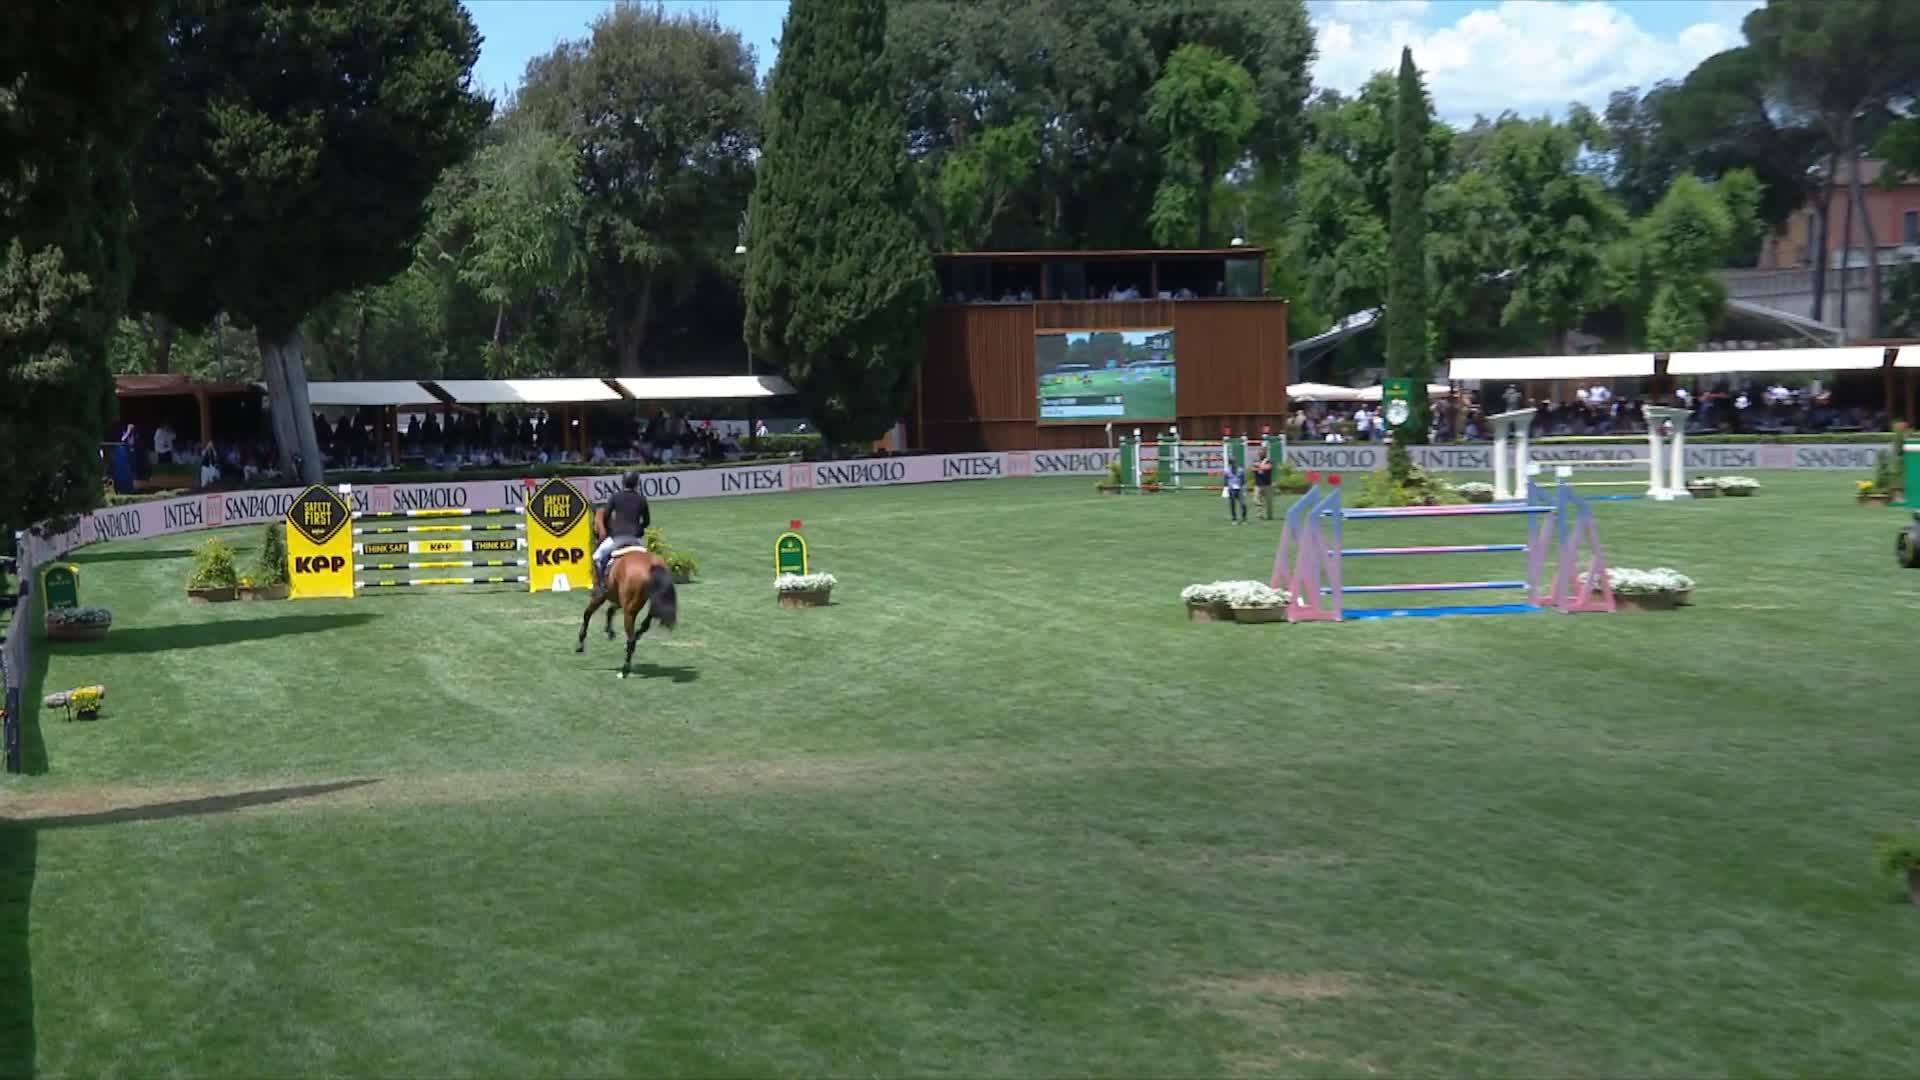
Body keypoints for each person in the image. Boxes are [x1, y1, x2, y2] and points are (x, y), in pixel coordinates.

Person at [592, 471, 651, 597]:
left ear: (623, 482)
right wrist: (638, 528)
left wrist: (611, 530)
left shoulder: (615, 497)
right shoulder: (642, 499)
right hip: (636, 539)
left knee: (597, 557)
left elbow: (606, 516)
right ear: (637, 483)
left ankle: (601, 586)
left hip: (617, 538)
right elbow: (647, 521)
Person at [1251, 448, 1275, 520]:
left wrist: (1258, 466)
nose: (1260, 453)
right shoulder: (1256, 460)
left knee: (1268, 502)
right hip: (1258, 484)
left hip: (1267, 484)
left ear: (1265, 453)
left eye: (1262, 452)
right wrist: (1260, 467)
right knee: (1256, 499)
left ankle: (1269, 516)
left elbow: (1268, 467)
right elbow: (1252, 468)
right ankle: (1259, 515)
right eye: (1259, 452)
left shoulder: (1269, 460)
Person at [1222, 459, 1247, 524]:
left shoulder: (1240, 470)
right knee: (1232, 504)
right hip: (1231, 490)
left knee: (1243, 504)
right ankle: (1234, 519)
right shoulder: (1227, 471)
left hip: (1239, 490)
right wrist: (1229, 486)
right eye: (1232, 463)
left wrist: (1242, 487)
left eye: (1234, 463)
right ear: (1230, 464)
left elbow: (1243, 480)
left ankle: (1244, 519)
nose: (1233, 464)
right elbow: (1225, 481)